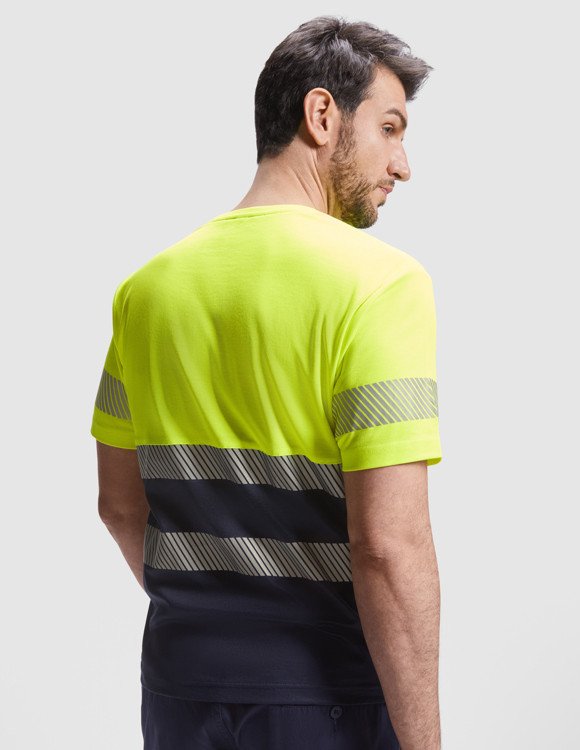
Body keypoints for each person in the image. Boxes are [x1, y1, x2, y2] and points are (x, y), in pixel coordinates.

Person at [91, 14, 443, 750]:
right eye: (389, 128)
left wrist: (216, 613)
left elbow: (120, 506)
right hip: (324, 697)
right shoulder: (379, 286)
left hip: (178, 691)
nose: (403, 164)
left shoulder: (146, 291)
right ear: (322, 115)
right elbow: (388, 546)